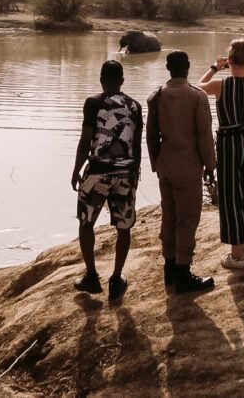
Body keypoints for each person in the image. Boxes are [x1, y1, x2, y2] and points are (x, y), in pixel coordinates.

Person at [70, 59, 143, 303]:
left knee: (86, 222)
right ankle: (116, 278)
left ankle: (91, 275)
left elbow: (85, 140)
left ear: (101, 80)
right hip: (124, 174)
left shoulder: (94, 103)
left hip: (97, 173)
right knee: (124, 227)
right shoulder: (135, 106)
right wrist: (135, 172)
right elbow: (136, 143)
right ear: (122, 81)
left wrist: (76, 169)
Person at [147, 51, 217, 293]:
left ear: (168, 68)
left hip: (165, 166)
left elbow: (150, 134)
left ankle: (169, 269)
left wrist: (155, 162)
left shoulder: (157, 96)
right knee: (187, 220)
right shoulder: (197, 96)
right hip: (188, 168)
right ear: (188, 67)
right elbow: (204, 135)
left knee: (169, 215)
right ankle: (183, 273)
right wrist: (210, 165)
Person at [198, 39, 244, 269]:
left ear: (230, 61)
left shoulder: (220, 85)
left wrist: (215, 67)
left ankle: (237, 257)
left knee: (232, 195)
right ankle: (242, 248)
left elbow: (196, 86)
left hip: (230, 142)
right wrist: (241, 68)